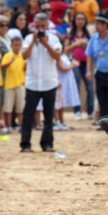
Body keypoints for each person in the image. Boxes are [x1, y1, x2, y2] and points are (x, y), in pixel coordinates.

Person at [20, 14, 62, 153]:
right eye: (37, 26)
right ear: (33, 26)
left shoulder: (54, 39)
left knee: (49, 115)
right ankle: (25, 144)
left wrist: (45, 43)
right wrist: (33, 41)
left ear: (47, 26)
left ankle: (47, 143)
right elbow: (24, 56)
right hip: (32, 83)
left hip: (49, 82)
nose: (40, 29)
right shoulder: (27, 39)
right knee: (28, 115)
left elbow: (57, 57)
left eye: (42, 26)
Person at [1, 36, 26, 130]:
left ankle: (21, 125)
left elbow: (25, 69)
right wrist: (10, 61)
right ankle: (9, 125)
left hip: (20, 83)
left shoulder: (23, 56)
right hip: (9, 84)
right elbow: (3, 66)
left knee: (20, 107)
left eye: (19, 45)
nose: (17, 47)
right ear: (11, 45)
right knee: (8, 107)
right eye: (15, 45)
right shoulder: (8, 55)